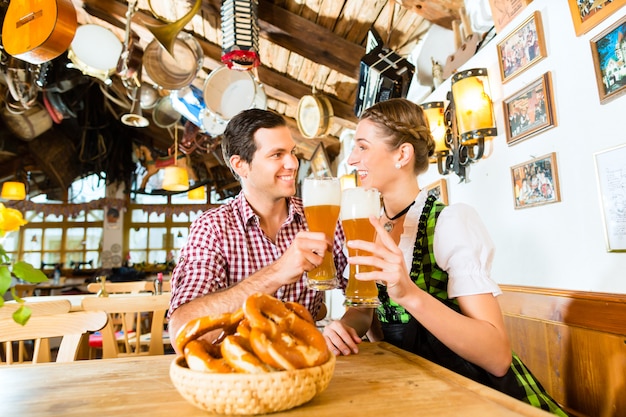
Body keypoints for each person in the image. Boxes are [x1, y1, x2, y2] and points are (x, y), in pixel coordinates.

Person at [322, 98, 567, 415]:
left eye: (363, 147)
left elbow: (497, 355)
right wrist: (343, 330)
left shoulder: (450, 223)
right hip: (412, 385)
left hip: (473, 390)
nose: (352, 160)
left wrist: (408, 292)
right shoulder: (367, 223)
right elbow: (365, 310)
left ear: (402, 154)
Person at [168, 108, 347, 351]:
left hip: (308, 367)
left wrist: (346, 327)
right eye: (277, 154)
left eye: (292, 152)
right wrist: (276, 272)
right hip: (239, 375)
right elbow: (182, 334)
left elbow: (364, 293)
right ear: (241, 165)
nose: (293, 163)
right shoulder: (213, 228)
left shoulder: (320, 217)